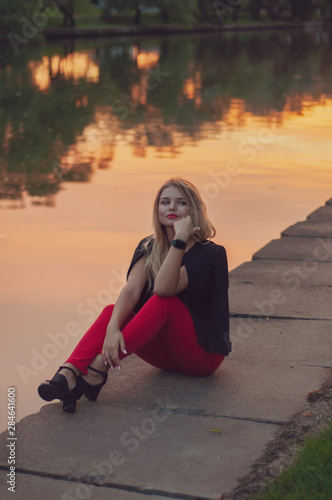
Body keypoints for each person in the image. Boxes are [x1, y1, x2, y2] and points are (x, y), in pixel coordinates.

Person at [38, 178, 231, 413]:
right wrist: (112, 328)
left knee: (164, 302)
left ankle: (96, 371)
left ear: (194, 211)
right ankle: (68, 373)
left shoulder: (209, 254)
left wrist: (179, 240)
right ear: (157, 209)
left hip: (200, 358)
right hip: (165, 357)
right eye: (165, 202)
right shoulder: (149, 246)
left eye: (181, 203)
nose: (171, 207)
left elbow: (163, 289)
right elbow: (131, 289)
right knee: (113, 310)